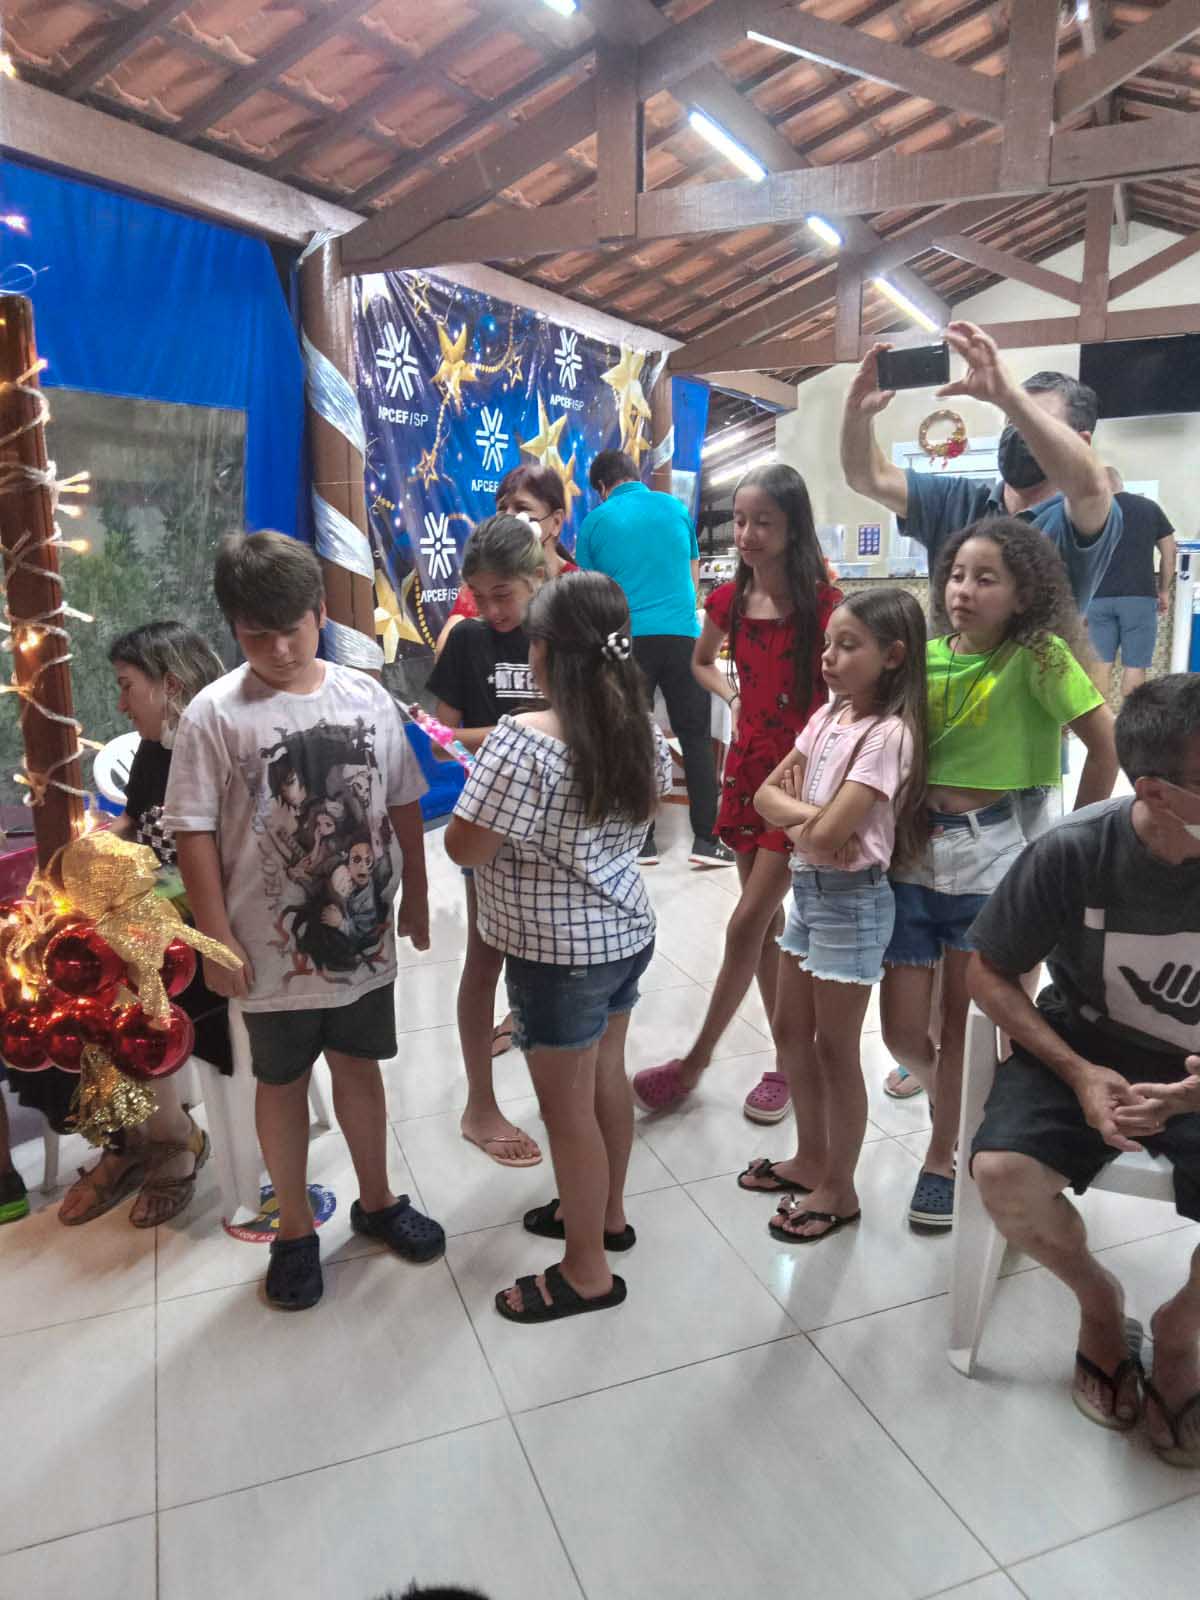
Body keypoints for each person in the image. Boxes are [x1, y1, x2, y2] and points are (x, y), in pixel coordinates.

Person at [164, 531, 443, 1312]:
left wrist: (417, 895)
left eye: (293, 628)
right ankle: (293, 1228)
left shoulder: (367, 697)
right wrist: (213, 939)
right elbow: (191, 832)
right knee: (280, 1082)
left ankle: (378, 1200)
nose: (281, 649)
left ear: (321, 612)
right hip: (265, 948)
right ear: (233, 628)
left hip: (362, 941)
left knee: (360, 1068)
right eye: (259, 635)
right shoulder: (213, 715)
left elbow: (402, 801)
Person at [968, 674, 1200, 1465]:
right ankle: (1100, 1304)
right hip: (1087, 1046)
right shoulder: (1074, 852)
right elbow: (987, 972)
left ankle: (1180, 1329)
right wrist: (1075, 1072)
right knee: (1002, 1173)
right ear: (1157, 792)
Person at [446, 571, 671, 1324]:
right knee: (607, 1079)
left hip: (555, 955)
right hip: (624, 935)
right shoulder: (641, 730)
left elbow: (466, 848)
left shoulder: (521, 741)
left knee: (566, 1114)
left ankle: (586, 1271)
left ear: (541, 652)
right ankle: (605, 1216)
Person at [882, 519, 1119, 1229]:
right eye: (957, 575)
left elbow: (1105, 747)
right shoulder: (925, 657)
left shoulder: (1040, 656)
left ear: (1023, 595)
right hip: (914, 853)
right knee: (902, 1034)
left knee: (966, 1024)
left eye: (986, 579)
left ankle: (941, 1155)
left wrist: (1075, 846)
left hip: (998, 856)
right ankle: (953, 1101)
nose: (964, 590)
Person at [630, 463, 841, 1120]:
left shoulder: (826, 607)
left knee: (747, 921)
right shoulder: (727, 601)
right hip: (748, 771)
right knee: (766, 927)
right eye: (741, 521)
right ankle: (787, 1060)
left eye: (762, 522)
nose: (747, 534)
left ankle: (694, 1064)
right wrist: (733, 695)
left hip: (798, 782)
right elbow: (700, 663)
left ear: (793, 526)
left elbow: (853, 691)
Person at [17, 623, 231, 1228]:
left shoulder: (218, 748)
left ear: (170, 684)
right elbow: (133, 824)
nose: (119, 703)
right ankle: (126, 1137)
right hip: (153, 913)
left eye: (126, 685)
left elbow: (227, 864)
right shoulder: (154, 750)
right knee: (53, 961)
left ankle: (173, 1139)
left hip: (209, 928)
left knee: (118, 983)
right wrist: (78, 863)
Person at [742, 589, 926, 1239]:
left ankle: (840, 1189)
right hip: (810, 889)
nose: (829, 657)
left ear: (893, 656)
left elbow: (820, 830)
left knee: (836, 1049)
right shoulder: (829, 715)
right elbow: (765, 796)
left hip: (853, 901)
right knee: (790, 1030)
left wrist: (810, 827)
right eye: (828, 643)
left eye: (849, 646)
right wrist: (814, 825)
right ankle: (811, 1158)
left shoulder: (887, 734)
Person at [841, 322, 1122, 616]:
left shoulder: (1074, 522)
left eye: (1033, 420)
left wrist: (1009, 397)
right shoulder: (957, 500)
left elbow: (1092, 487)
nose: (1018, 430)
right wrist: (857, 414)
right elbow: (868, 477)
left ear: (1082, 442)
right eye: (1011, 420)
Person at [426, 514, 549, 1165]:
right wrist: (524, 731)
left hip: (556, 826)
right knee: (485, 957)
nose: (492, 609)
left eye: (504, 594)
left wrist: (507, 733)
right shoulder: (468, 641)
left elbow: (591, 723)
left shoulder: (560, 632)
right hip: (490, 824)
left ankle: (557, 1091)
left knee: (550, 963)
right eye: (480, 596)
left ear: (537, 577)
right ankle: (480, 1103)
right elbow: (440, 741)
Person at [575, 448, 728, 868]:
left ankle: (641, 842)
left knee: (632, 737)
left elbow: (590, 593)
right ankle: (706, 841)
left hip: (627, 641)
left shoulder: (595, 521)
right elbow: (692, 577)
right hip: (683, 636)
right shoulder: (676, 508)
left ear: (602, 487)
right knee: (695, 737)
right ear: (634, 474)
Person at [434, 464, 577, 657]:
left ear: (556, 522)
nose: (509, 518)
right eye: (502, 509)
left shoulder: (577, 588)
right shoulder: (485, 580)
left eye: (522, 508)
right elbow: (444, 650)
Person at [1087, 467, 1176, 703]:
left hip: (1097, 598)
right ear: (1120, 483)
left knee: (1100, 663)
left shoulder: (1089, 512)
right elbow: (1169, 551)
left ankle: (1098, 722)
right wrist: (1164, 590)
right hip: (1139, 598)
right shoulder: (1148, 508)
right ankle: (1130, 721)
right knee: (1135, 665)